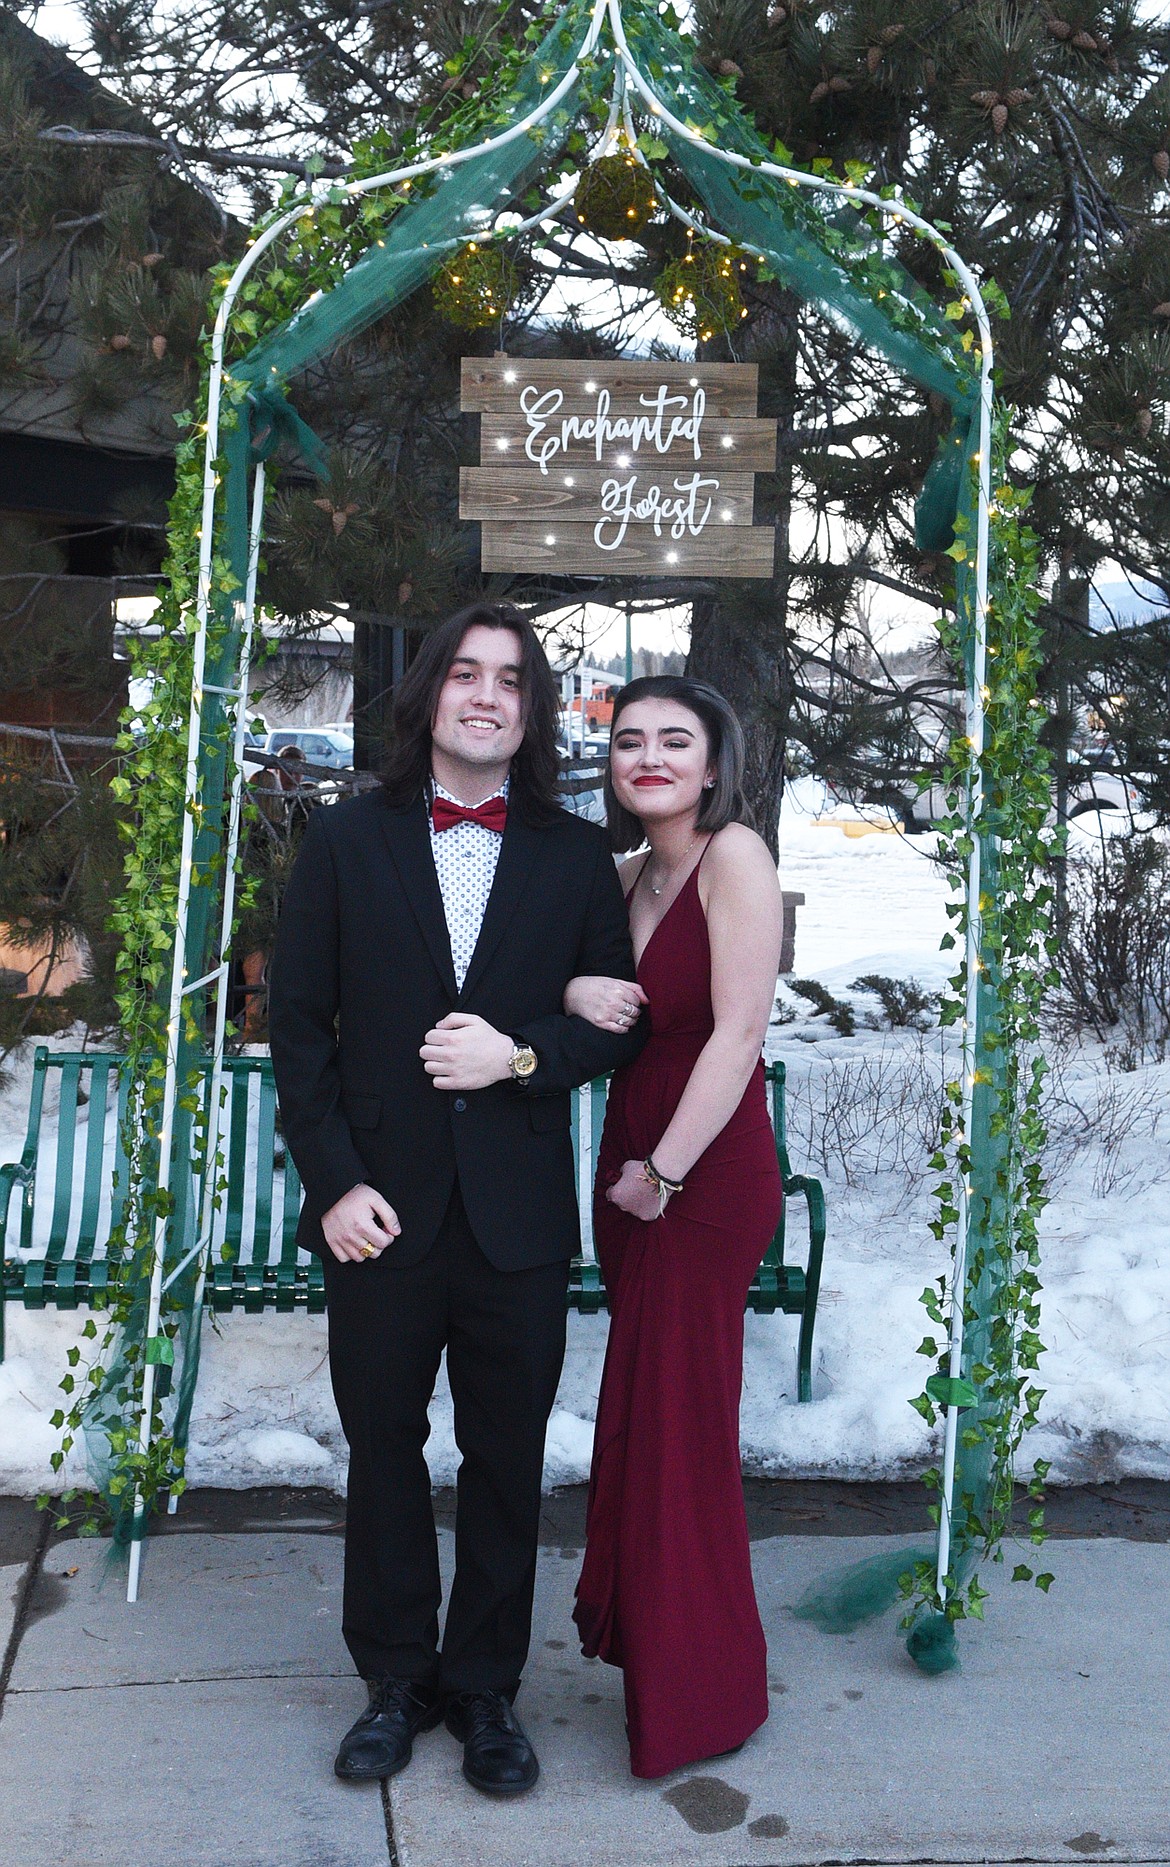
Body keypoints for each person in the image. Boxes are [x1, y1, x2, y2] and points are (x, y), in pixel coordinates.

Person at [267, 603, 647, 1797]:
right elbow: (296, 1027)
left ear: (530, 712)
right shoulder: (343, 838)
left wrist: (521, 1055)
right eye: (467, 674)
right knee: (383, 1448)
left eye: (512, 682)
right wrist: (332, 1184)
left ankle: (484, 1688)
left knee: (504, 1456)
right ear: (431, 692)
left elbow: (612, 1026)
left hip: (518, 1218)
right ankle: (392, 1680)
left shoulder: (578, 854)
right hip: (379, 1209)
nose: (487, 695)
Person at [566, 675, 784, 1780]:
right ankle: (665, 1653)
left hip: (699, 1168)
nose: (648, 756)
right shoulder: (622, 876)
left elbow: (739, 1030)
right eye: (628, 741)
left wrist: (662, 1167)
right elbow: (574, 989)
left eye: (674, 740)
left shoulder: (732, 856)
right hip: (635, 1165)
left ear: (713, 763)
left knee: (683, 1424)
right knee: (644, 1416)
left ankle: (702, 1693)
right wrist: (566, 1000)